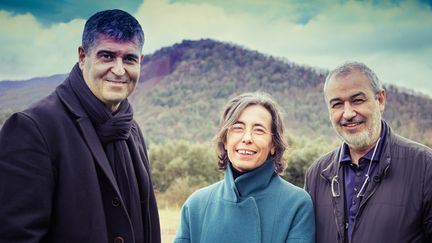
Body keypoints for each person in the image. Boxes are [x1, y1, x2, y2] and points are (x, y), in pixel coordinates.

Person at [0, 9, 161, 243]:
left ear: (140, 61)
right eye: (107, 56)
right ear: (82, 56)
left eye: (129, 58)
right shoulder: (32, 128)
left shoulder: (132, 130)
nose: (119, 69)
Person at [305, 61, 432, 243]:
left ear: (380, 100)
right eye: (337, 104)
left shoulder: (424, 167)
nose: (347, 113)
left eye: (357, 100)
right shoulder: (317, 175)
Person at [174, 92, 315, 243]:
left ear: (273, 144)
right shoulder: (196, 205)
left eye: (259, 130)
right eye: (237, 128)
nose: (247, 138)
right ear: (225, 140)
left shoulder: (297, 204)